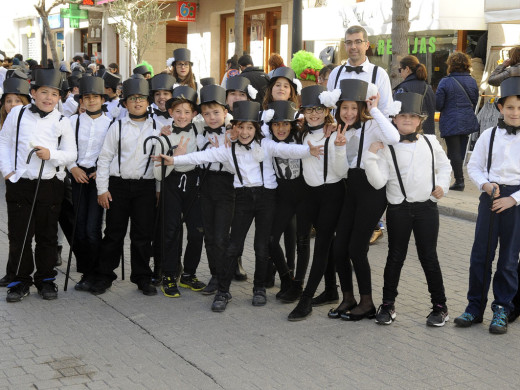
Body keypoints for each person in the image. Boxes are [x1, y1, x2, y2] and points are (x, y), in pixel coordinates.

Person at [154, 100, 323, 312]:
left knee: (261, 247)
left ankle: (259, 288)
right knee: (233, 245)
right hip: (242, 198)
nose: (244, 132)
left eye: (249, 127)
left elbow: (287, 150)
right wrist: (173, 161)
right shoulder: (228, 149)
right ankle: (223, 291)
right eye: (240, 127)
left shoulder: (267, 145)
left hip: (266, 199)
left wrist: (309, 152)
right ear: (234, 128)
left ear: (256, 128)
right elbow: (202, 156)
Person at [363, 92, 451, 327]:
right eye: (402, 116)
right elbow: (378, 182)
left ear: (420, 121)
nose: (408, 121)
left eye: (412, 117)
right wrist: (370, 156)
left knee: (429, 257)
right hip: (398, 209)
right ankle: (388, 304)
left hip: (426, 209)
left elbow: (445, 166)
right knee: (395, 257)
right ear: (394, 119)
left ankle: (440, 306)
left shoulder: (431, 142)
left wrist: (443, 185)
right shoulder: (385, 147)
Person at [0, 68, 76, 302]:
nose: (48, 98)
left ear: (59, 98)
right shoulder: (17, 114)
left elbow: (71, 154)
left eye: (54, 94)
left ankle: (45, 279)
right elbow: (4, 141)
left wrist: (51, 153)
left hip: (50, 184)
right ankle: (19, 281)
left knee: (47, 235)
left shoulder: (63, 121)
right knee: (19, 235)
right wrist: (7, 171)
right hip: (19, 183)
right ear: (32, 92)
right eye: (44, 92)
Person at [328, 80, 400, 321]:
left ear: (361, 108)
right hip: (352, 189)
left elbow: (394, 137)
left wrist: (375, 109)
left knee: (357, 249)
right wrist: (338, 147)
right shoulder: (340, 130)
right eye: (344, 108)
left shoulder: (373, 126)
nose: (349, 113)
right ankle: (348, 298)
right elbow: (340, 172)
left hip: (372, 190)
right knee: (339, 248)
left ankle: (367, 302)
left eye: (354, 108)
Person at [454, 77, 520, 335]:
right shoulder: (488, 135)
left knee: (508, 260)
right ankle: (474, 307)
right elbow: (474, 166)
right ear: (500, 108)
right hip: (490, 195)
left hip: (515, 201)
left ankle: (502, 308)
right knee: (481, 255)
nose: (515, 112)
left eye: (519, 107)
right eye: (511, 107)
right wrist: (484, 185)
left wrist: (513, 199)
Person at [89, 76, 159, 296]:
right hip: (118, 185)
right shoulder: (116, 126)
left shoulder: (158, 127)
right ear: (125, 103)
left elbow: (161, 160)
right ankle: (104, 276)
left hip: (145, 187)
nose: (137, 102)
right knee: (113, 233)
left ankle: (142, 277)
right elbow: (105, 158)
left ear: (147, 101)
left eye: (141, 98)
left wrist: (158, 189)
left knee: (142, 235)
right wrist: (102, 189)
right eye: (132, 99)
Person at [287, 85, 348, 321]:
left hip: (332, 193)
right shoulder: (301, 133)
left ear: (326, 110)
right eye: (309, 109)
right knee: (324, 242)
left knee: (322, 246)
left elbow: (342, 172)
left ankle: (306, 300)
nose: (314, 114)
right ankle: (331, 290)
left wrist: (340, 149)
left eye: (318, 109)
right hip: (309, 193)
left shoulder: (333, 134)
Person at [153, 86, 205, 298]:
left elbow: (223, 118)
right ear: (170, 113)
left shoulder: (200, 128)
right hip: (171, 183)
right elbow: (158, 174)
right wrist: (176, 157)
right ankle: (169, 274)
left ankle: (189, 274)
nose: (182, 116)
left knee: (196, 231)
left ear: (194, 113)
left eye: (187, 111)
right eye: (177, 111)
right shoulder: (163, 137)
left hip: (194, 184)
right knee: (171, 231)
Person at [263, 100, 311, 302]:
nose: (280, 128)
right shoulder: (267, 140)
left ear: (292, 124)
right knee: (271, 239)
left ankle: (298, 285)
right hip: (283, 199)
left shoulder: (301, 138)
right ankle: (285, 278)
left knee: (302, 242)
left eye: (285, 124)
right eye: (276, 124)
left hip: (304, 198)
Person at [67, 76, 111, 292]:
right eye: (87, 97)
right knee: (80, 228)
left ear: (103, 99)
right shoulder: (72, 122)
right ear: (81, 100)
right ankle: (86, 272)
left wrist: (102, 172)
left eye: (95, 97)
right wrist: (72, 167)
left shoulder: (111, 123)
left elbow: (114, 153)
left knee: (93, 229)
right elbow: (65, 148)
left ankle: (99, 273)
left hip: (98, 177)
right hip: (77, 176)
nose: (91, 100)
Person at [194, 84, 236, 294]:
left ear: (225, 112)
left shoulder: (232, 133)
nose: (212, 117)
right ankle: (215, 275)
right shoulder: (200, 133)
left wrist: (225, 143)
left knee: (221, 237)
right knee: (209, 236)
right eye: (207, 113)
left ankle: (224, 280)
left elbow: (235, 166)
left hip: (226, 186)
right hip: (205, 185)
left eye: (216, 112)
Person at [435, 52, 479, 192]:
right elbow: (475, 100)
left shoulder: (445, 81)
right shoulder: (472, 80)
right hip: (466, 119)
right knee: (459, 151)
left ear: (450, 65)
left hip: (451, 119)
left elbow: (438, 104)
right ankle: (450, 178)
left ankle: (459, 181)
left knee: (453, 152)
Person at [326, 25, 392, 113]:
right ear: (345, 46)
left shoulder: (379, 74)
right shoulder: (335, 73)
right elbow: (329, 108)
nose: (353, 46)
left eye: (358, 42)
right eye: (349, 42)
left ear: (367, 45)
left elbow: (386, 110)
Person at [393, 55, 436, 135]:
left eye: (400, 70)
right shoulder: (428, 88)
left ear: (407, 69)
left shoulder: (403, 88)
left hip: (409, 135)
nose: (400, 73)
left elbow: (396, 112)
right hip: (428, 135)